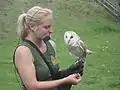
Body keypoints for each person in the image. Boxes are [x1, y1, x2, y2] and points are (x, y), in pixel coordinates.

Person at [13, 6, 85, 90]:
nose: (51, 30)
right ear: (32, 26)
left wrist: (68, 72)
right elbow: (32, 86)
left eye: (51, 26)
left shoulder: (50, 44)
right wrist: (65, 80)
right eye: (46, 27)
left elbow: (52, 74)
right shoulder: (24, 51)